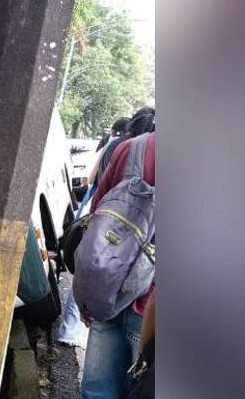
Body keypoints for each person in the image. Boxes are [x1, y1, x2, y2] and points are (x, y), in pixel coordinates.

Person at [79, 122, 155, 399]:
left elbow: (96, 216)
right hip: (152, 308)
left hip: (107, 288)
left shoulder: (130, 148)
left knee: (96, 392)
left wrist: (88, 292)